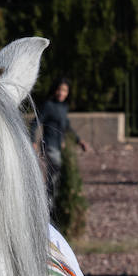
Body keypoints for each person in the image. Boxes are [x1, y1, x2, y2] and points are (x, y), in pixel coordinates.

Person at [34, 77, 90, 206]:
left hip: (59, 147)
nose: (61, 93)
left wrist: (79, 141)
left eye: (65, 90)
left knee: (54, 179)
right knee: (59, 169)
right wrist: (33, 140)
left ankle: (51, 204)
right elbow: (34, 123)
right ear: (55, 90)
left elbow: (67, 127)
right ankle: (49, 204)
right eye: (59, 89)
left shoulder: (63, 107)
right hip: (49, 146)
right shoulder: (48, 106)